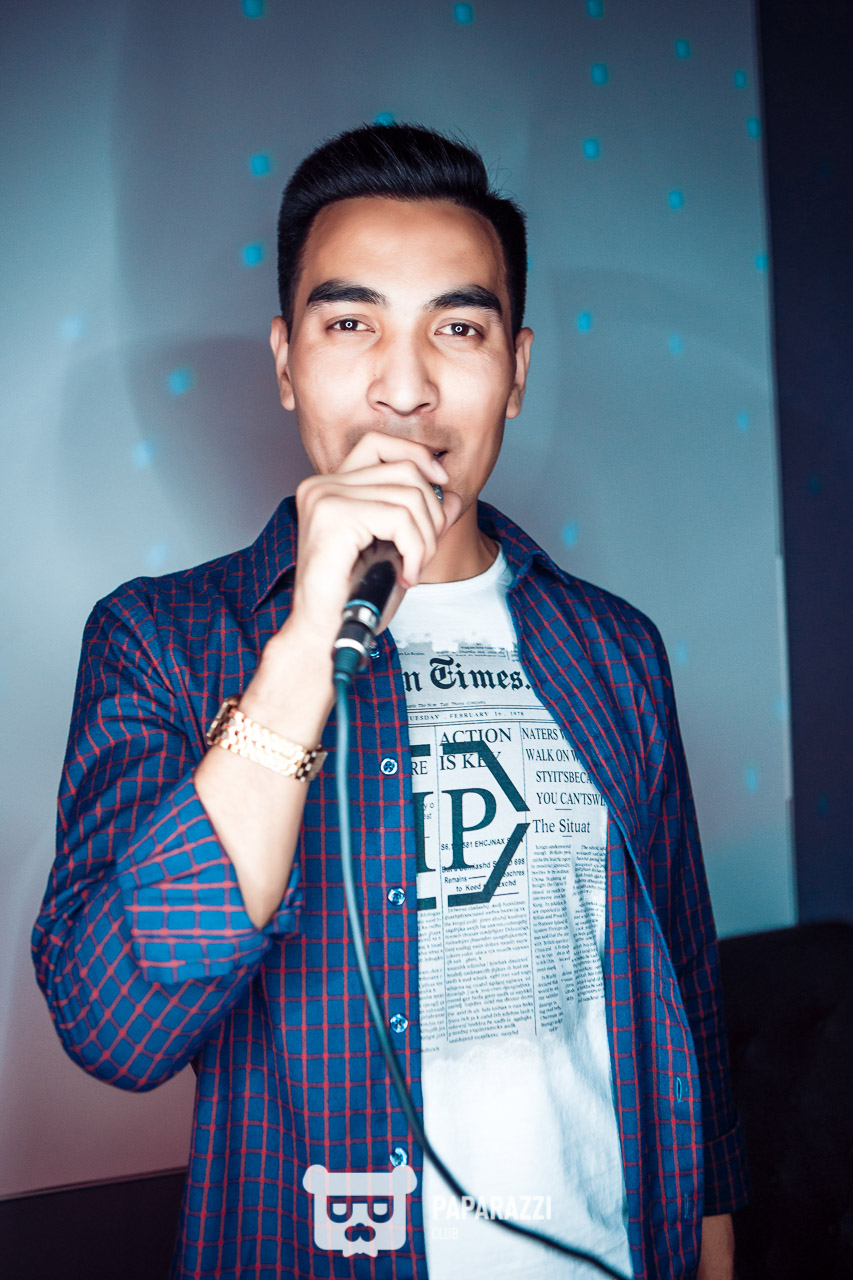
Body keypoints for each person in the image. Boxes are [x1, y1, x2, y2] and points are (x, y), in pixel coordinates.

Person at [33, 123, 747, 1280]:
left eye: (457, 328)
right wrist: (302, 645)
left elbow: (688, 1006)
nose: (405, 387)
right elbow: (114, 1024)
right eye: (350, 323)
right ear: (285, 360)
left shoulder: (615, 650)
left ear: (516, 369)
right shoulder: (159, 640)